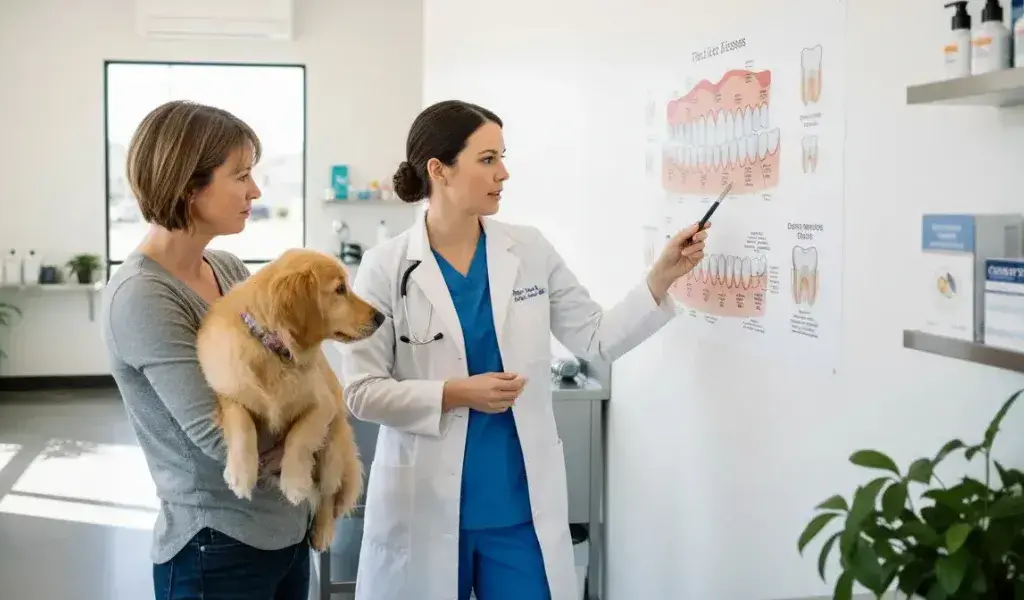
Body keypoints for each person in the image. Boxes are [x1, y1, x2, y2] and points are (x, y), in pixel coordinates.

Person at [336, 100, 709, 600]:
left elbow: (596, 337)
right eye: (488, 159)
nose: (504, 173)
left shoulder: (529, 250)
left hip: (519, 510)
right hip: (423, 504)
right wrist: (453, 393)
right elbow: (361, 391)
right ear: (439, 170)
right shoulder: (387, 266)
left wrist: (661, 277)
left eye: (502, 158)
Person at [101, 100, 311, 600]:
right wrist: (309, 428)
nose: (255, 191)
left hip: (285, 528)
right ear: (188, 187)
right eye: (240, 175)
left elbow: (298, 376)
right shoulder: (143, 295)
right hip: (217, 548)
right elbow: (223, 441)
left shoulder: (228, 268)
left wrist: (303, 419)